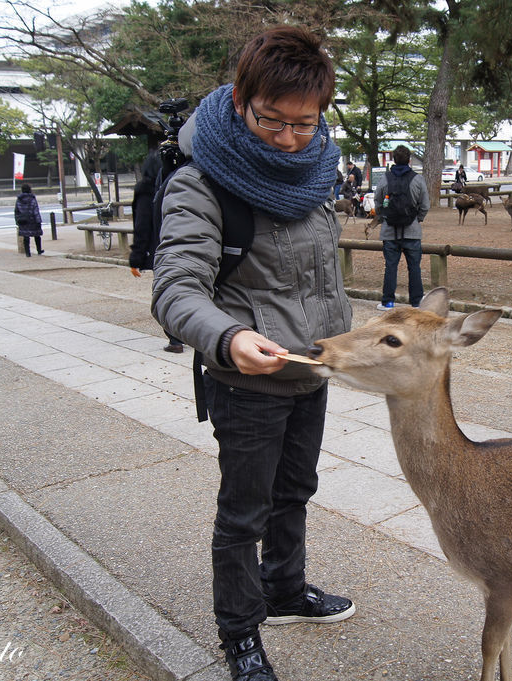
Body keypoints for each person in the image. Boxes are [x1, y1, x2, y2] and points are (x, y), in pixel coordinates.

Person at [150, 26, 355, 681]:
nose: (290, 138)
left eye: (305, 122)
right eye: (272, 120)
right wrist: (231, 336)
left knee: (296, 490)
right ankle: (239, 633)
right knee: (244, 512)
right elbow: (176, 288)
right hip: (245, 379)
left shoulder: (316, 170)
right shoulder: (200, 184)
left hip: (310, 369)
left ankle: (286, 589)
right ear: (242, 100)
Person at [128, 151, 184, 353]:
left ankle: (175, 339)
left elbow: (142, 224)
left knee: (166, 290)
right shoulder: (180, 182)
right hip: (182, 243)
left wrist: (137, 256)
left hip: (159, 247)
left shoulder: (146, 190)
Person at [373, 144, 429, 310]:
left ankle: (388, 301)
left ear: (394, 159)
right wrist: (416, 218)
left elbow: (377, 202)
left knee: (390, 267)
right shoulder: (417, 179)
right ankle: (417, 302)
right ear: (409, 160)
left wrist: (385, 216)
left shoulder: (385, 179)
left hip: (390, 231)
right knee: (414, 267)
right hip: (412, 231)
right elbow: (425, 204)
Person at [14, 184, 44, 257]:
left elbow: (16, 210)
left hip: (23, 220)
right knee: (37, 235)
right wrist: (38, 221)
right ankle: (39, 250)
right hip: (32, 219)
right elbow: (36, 210)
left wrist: (17, 220)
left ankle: (28, 252)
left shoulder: (19, 199)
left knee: (26, 237)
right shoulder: (32, 199)